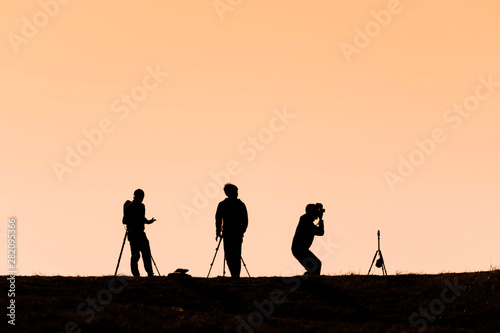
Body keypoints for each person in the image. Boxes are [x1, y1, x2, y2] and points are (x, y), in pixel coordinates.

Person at [215, 183, 248, 278]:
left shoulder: (223, 204)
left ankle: (235, 275)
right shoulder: (240, 204)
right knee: (234, 255)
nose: (237, 194)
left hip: (230, 234)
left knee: (232, 255)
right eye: (235, 192)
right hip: (231, 234)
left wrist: (218, 232)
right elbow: (245, 221)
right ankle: (235, 275)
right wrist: (241, 231)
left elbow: (218, 219)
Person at [122, 189, 156, 277]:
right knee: (140, 254)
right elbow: (139, 218)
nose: (142, 199)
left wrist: (148, 221)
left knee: (142, 254)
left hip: (135, 233)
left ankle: (144, 273)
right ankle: (143, 274)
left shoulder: (129, 206)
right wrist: (148, 222)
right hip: (136, 233)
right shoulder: (136, 206)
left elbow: (139, 218)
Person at [291, 203, 325, 275]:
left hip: (301, 249)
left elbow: (320, 232)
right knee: (316, 265)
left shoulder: (310, 224)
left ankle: (309, 280)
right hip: (298, 249)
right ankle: (311, 281)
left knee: (315, 266)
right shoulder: (304, 220)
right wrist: (316, 209)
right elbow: (308, 216)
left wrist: (321, 219)